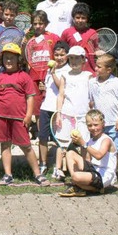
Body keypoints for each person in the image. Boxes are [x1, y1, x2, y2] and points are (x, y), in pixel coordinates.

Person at [0, 43, 50, 186]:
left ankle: (38, 174)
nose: (8, 61)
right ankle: (8, 174)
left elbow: (30, 97)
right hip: (1, 117)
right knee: (5, 145)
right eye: (6, 58)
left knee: (26, 146)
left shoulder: (24, 77)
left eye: (11, 58)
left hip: (19, 118)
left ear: (18, 60)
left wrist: (28, 115)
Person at [54, 45, 92, 181]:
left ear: (83, 60)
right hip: (66, 114)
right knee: (62, 143)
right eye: (71, 58)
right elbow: (61, 95)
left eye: (77, 58)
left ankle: (86, 167)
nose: (74, 61)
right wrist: (58, 113)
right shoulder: (65, 75)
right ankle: (58, 169)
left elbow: (92, 97)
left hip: (83, 116)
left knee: (84, 143)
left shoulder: (88, 76)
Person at [60, 110, 117, 197]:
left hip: (104, 175)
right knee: (70, 153)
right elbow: (87, 160)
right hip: (93, 170)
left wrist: (83, 143)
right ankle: (79, 185)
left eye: (96, 125)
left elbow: (99, 155)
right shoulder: (90, 141)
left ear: (103, 124)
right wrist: (77, 145)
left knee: (75, 177)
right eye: (90, 125)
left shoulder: (106, 140)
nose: (93, 128)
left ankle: (87, 187)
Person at [89, 53, 118, 163]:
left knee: (115, 148)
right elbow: (91, 101)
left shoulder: (116, 83)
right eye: (96, 66)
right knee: (98, 145)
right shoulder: (92, 82)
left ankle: (113, 171)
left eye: (99, 67)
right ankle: (98, 168)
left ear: (109, 69)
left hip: (113, 122)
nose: (96, 68)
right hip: (98, 123)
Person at [37, 41, 70, 174]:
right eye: (56, 55)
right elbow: (50, 88)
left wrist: (54, 73)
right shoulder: (50, 69)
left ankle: (59, 166)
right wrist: (43, 87)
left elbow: (61, 87)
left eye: (62, 55)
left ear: (67, 55)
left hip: (59, 109)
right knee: (43, 137)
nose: (59, 57)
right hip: (46, 107)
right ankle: (43, 164)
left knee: (59, 139)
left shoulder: (68, 70)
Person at [25, 10, 60, 125]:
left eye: (41, 23)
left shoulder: (54, 38)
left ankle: (53, 133)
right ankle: (42, 135)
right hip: (34, 78)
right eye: (35, 24)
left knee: (51, 105)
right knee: (37, 108)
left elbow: (60, 56)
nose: (38, 26)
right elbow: (26, 58)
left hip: (51, 77)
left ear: (46, 24)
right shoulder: (30, 41)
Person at [61, 2, 99, 72]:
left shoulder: (93, 32)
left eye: (83, 18)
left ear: (87, 19)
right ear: (73, 18)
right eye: (77, 18)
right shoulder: (66, 32)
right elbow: (62, 51)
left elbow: (96, 50)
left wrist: (99, 53)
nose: (80, 20)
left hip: (90, 70)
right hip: (72, 69)